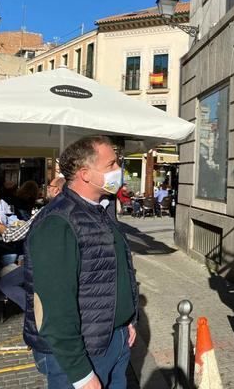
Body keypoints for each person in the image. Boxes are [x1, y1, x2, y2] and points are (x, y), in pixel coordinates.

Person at [23, 135, 138, 389]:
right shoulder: (57, 222)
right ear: (85, 174)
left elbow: (112, 273)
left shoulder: (101, 210)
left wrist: (127, 320)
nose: (119, 171)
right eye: (111, 165)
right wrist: (81, 374)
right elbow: (54, 307)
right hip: (81, 354)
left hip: (114, 341)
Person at [0, 177, 66, 309]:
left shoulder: (46, 210)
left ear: (57, 190)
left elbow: (12, 235)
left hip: (43, 263)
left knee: (6, 283)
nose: (47, 189)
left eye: (49, 186)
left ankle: (35, 312)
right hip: (62, 262)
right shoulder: (71, 208)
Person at [0, 180, 20, 265]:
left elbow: (12, 219)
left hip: (3, 238)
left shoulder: (1, 203)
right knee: (11, 255)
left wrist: (19, 223)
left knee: (17, 252)